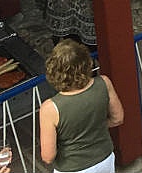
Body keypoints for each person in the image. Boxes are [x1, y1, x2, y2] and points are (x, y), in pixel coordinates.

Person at [37, 38, 122, 173]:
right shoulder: (104, 83)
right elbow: (118, 119)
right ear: (86, 63)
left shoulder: (50, 108)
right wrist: (95, 128)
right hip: (104, 158)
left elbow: (48, 156)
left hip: (72, 167)